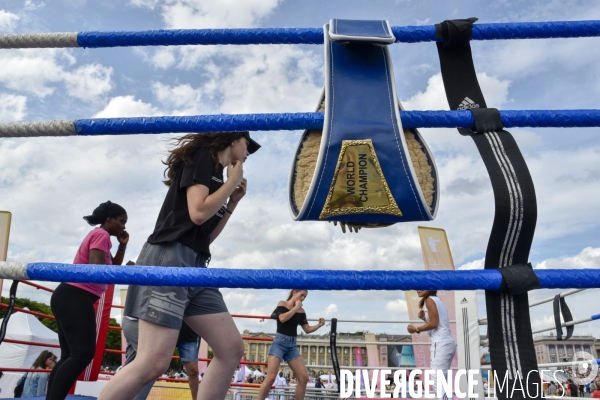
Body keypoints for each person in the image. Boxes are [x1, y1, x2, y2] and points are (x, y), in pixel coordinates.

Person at [98, 131, 260, 400]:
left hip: (196, 264)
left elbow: (205, 236)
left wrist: (232, 202)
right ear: (233, 139)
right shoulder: (202, 158)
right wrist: (232, 183)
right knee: (153, 361)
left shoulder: (220, 177)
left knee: (230, 348)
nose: (249, 152)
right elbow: (198, 213)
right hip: (169, 257)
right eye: (247, 144)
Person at [48, 201, 128, 400]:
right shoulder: (101, 235)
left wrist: (122, 246)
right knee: (82, 354)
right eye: (121, 221)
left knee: (70, 355)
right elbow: (97, 269)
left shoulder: (101, 237)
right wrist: (127, 272)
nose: (123, 226)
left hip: (68, 296)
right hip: (75, 296)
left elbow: (111, 266)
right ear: (108, 219)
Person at [257, 289, 325, 400]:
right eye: (301, 295)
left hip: (292, 345)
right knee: (270, 378)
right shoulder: (282, 304)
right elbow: (282, 318)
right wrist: (296, 307)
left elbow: (306, 329)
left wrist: (319, 325)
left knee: (304, 378)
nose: (303, 298)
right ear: (294, 293)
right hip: (279, 343)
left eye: (305, 297)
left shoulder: (301, 311)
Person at [407, 290, 456, 400]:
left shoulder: (429, 300)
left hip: (441, 344)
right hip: (446, 343)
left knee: (437, 381)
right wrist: (424, 319)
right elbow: (438, 323)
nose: (417, 289)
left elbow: (434, 324)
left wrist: (416, 329)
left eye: (421, 286)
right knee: (442, 382)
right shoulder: (437, 300)